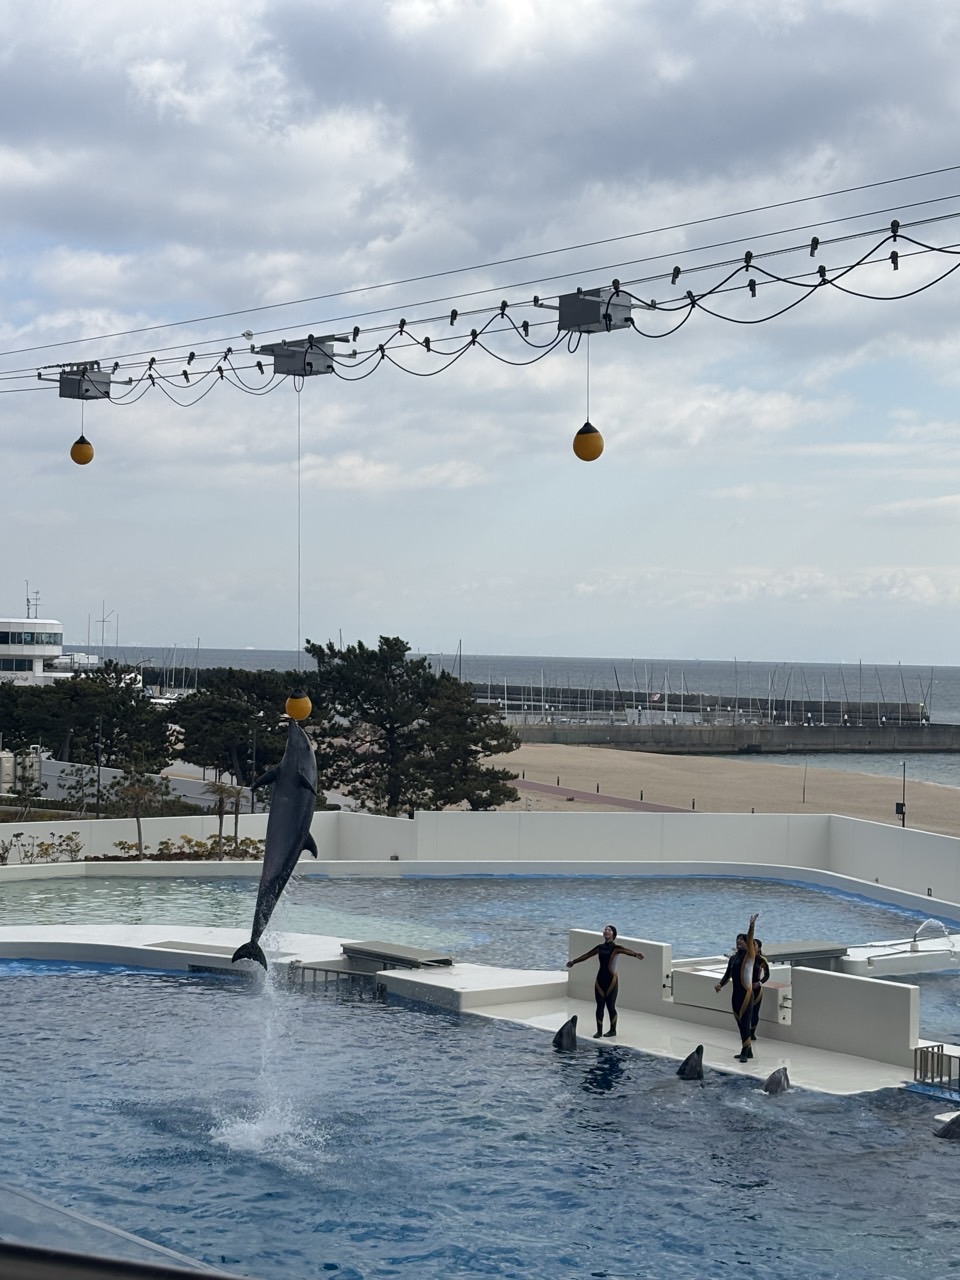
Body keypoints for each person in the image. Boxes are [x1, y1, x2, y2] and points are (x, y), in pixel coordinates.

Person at [566, 924, 644, 1039]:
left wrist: (636, 954)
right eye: (605, 930)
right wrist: (574, 962)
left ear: (613, 934)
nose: (606, 931)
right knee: (599, 1006)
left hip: (612, 981)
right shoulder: (600, 947)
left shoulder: (616, 948)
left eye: (609, 930)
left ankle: (613, 1030)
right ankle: (599, 1031)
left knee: (611, 1006)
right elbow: (587, 955)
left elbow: (626, 951)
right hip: (600, 980)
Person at [714, 912, 760, 1062]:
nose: (739, 941)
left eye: (742, 939)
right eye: (737, 939)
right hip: (736, 994)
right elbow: (728, 974)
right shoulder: (733, 958)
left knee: (745, 1022)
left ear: (747, 943)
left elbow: (751, 937)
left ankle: (745, 1052)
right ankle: (748, 1050)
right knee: (740, 1022)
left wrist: (751, 925)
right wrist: (720, 984)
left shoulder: (749, 956)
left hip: (746, 994)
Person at [750, 938, 771, 1040]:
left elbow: (767, 975)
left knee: (754, 1011)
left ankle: (752, 1032)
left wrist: (759, 983)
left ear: (759, 948)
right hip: (745, 988)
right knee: (744, 1011)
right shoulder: (745, 958)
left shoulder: (761, 960)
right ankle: (744, 1031)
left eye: (754, 945)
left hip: (756, 989)